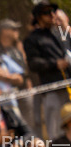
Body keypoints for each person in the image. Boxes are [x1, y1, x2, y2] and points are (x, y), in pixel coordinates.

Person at [24, 2, 71, 139]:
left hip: (68, 85)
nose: (51, 15)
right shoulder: (32, 39)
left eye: (53, 11)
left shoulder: (60, 34)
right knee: (56, 130)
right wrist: (55, 64)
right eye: (46, 12)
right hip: (53, 90)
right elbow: (33, 64)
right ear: (38, 17)